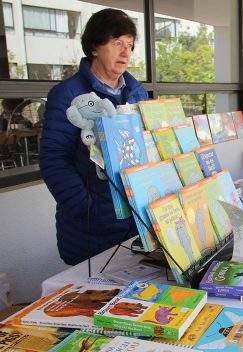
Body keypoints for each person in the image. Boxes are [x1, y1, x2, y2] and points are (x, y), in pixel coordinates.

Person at [39, 9, 149, 265]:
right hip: (92, 226)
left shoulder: (137, 92)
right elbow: (53, 159)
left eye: (130, 45)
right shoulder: (68, 94)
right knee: (96, 298)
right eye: (117, 43)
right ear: (94, 47)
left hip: (136, 218)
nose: (125, 52)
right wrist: (85, 206)